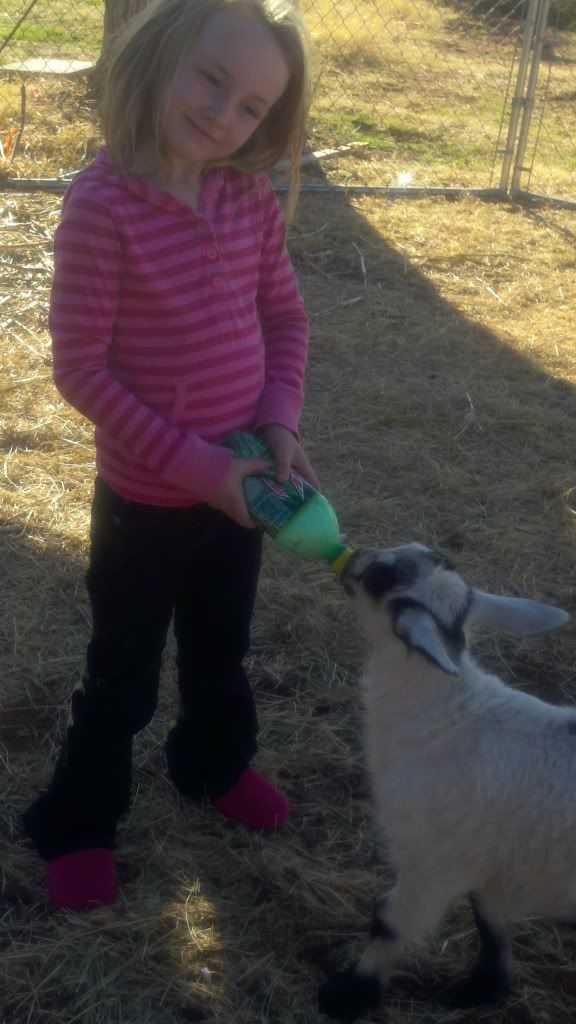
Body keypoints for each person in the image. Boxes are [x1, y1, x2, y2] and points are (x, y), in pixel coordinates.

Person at [23, 0, 317, 912]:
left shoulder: (245, 195)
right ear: (159, 54)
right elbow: (81, 371)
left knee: (221, 650)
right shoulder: (102, 206)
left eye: (252, 106)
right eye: (213, 80)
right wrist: (199, 469)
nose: (226, 116)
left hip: (245, 488)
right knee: (123, 672)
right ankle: (78, 820)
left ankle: (212, 765)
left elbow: (285, 318)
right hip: (146, 505)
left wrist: (279, 425)